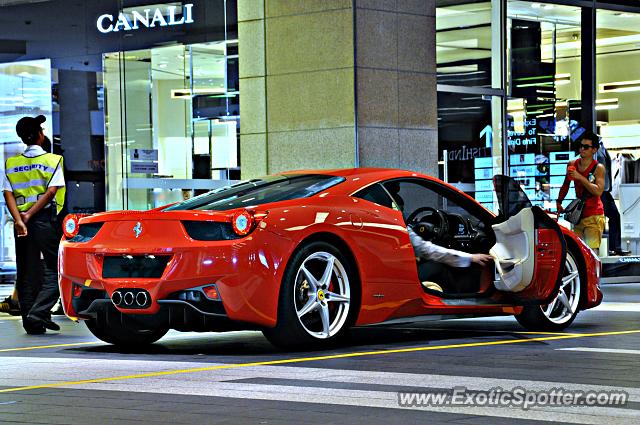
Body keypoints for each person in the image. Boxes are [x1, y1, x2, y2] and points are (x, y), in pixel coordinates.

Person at [3, 115, 66, 334]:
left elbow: (7, 193)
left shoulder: (11, 163)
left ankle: (32, 323)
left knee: (26, 272)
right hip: (42, 220)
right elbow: (51, 192)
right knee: (60, 267)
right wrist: (30, 214)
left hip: (20, 221)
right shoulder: (52, 160)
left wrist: (20, 220)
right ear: (40, 135)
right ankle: (39, 312)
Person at [557, 131, 606, 251]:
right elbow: (565, 184)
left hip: (594, 215)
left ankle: (595, 271)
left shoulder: (598, 168)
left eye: (586, 147)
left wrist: (579, 177)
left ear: (594, 150)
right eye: (580, 146)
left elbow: (598, 191)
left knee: (591, 252)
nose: (582, 149)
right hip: (578, 215)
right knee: (578, 251)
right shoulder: (572, 164)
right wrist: (559, 201)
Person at [595, 139, 630, 256]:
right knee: (600, 219)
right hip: (598, 190)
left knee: (615, 216)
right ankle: (606, 249)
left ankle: (615, 247)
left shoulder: (602, 147)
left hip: (606, 189)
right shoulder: (594, 149)